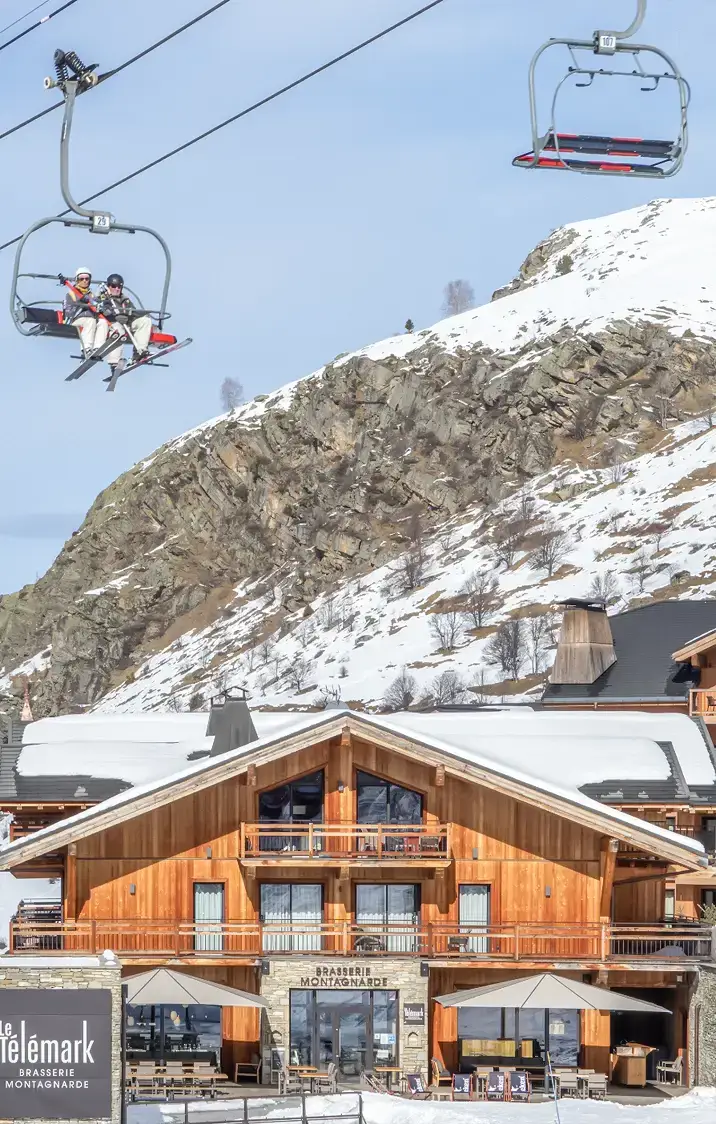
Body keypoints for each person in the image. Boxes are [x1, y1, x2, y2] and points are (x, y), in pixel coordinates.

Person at [93, 273, 152, 373]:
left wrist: (130, 315)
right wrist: (112, 314)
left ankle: (140, 352)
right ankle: (114, 362)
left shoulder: (125, 300)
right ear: (108, 286)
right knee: (119, 331)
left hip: (126, 323)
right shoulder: (103, 298)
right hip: (111, 323)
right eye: (113, 286)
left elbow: (132, 311)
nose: (117, 289)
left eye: (119, 286)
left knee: (145, 321)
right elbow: (97, 309)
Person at [63, 267, 98, 356]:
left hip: (91, 319)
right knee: (90, 321)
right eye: (81, 279)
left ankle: (98, 348)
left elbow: (97, 309)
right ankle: (86, 349)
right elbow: (68, 312)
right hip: (76, 320)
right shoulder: (71, 294)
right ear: (77, 280)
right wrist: (80, 303)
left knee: (102, 323)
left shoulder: (92, 295)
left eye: (87, 279)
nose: (84, 281)